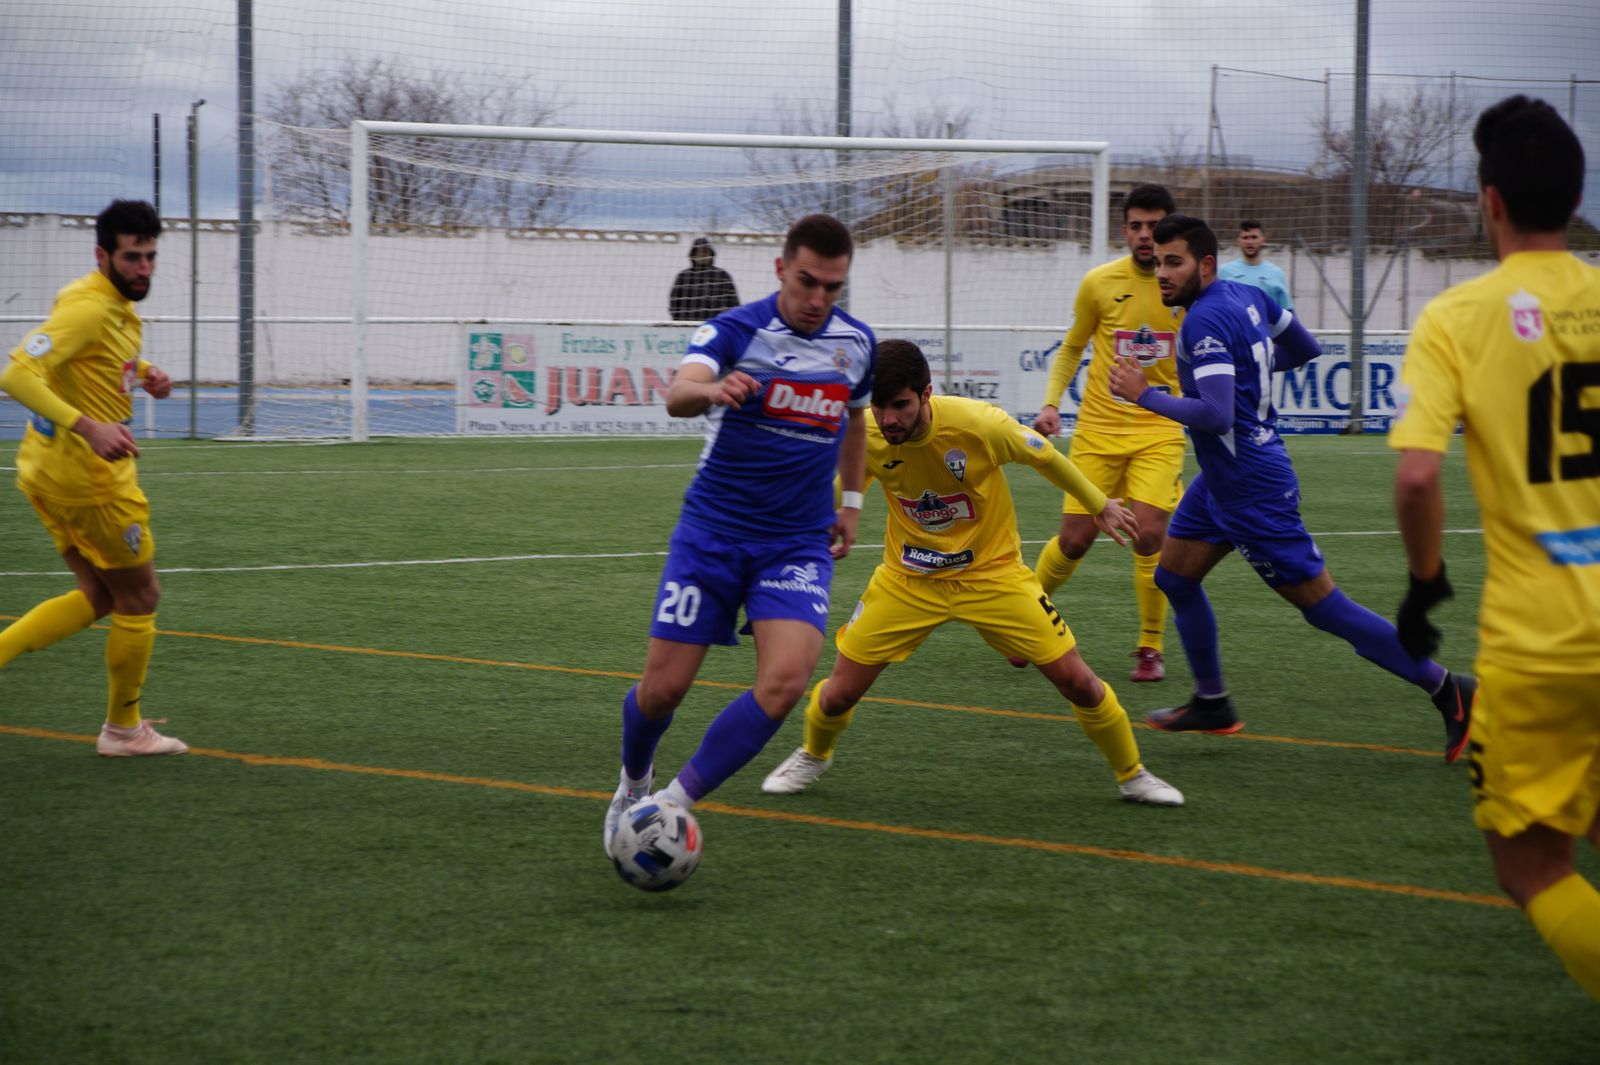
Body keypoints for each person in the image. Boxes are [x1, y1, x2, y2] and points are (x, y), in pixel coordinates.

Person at [1106, 213, 1475, 761]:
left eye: (1174, 262)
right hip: (1223, 482)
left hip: (1251, 483)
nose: (1162, 273)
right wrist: (1247, 370)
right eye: (1158, 262)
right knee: (1174, 579)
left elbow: (1214, 412)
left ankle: (1449, 688)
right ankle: (1212, 703)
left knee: (1325, 607)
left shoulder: (1204, 322)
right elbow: (1304, 347)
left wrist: (1144, 393)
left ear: (1205, 264)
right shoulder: (1248, 296)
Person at [761, 339, 1184, 806]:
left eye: (899, 405)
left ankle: (1132, 773)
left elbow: (1042, 453)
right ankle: (814, 754)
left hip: (993, 575)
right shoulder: (870, 434)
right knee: (838, 693)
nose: (889, 419)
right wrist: (821, 521)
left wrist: (1098, 503)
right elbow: (844, 485)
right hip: (908, 581)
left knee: (1078, 681)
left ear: (925, 393)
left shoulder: (978, 424)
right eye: (879, 407)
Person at [1390, 96, 1600, 1003]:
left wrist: (1426, 584)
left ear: (1490, 202)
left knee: (1532, 865)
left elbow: (1414, 478)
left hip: (1541, 639)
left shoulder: (1457, 317)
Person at [604, 213, 875, 853]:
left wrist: (854, 503)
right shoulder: (734, 329)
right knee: (662, 690)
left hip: (796, 542)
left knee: (786, 682)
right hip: (714, 534)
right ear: (781, 268)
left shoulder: (856, 344)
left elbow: (857, 421)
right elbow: (677, 393)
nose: (818, 300)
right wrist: (715, 389)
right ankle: (632, 782)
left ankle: (667, 809)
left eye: (832, 288)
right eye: (807, 282)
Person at [0, 199, 185, 757]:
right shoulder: (87, 309)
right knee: (141, 596)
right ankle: (124, 731)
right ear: (102, 254)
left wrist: (147, 374)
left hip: (44, 471)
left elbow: (89, 360)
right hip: (91, 483)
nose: (145, 268)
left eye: (151, 256)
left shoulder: (101, 299)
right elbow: (15, 374)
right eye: (133, 257)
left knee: (99, 594)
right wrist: (90, 427)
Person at [1031, 183, 1184, 683]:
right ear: (1125, 230)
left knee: (1149, 531)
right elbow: (1073, 345)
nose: (1145, 235)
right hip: (1097, 432)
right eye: (1136, 226)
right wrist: (1052, 402)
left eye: (1154, 225)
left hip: (1160, 428)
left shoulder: (1186, 288)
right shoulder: (1099, 282)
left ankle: (1149, 647)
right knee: (1074, 541)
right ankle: (1024, 618)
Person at [1218, 219, 1294, 311]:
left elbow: (1288, 312)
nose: (1249, 242)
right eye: (1245, 238)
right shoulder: (1225, 271)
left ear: (1262, 240)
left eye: (1254, 237)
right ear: (1238, 241)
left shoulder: (1276, 273)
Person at [668, 236, 741, 321]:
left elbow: (734, 304)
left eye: (706, 252)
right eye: (700, 252)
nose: (703, 255)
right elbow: (674, 304)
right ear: (693, 255)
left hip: (717, 325)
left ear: (711, 254)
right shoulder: (684, 276)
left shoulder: (722, 275)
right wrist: (681, 322)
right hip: (689, 325)